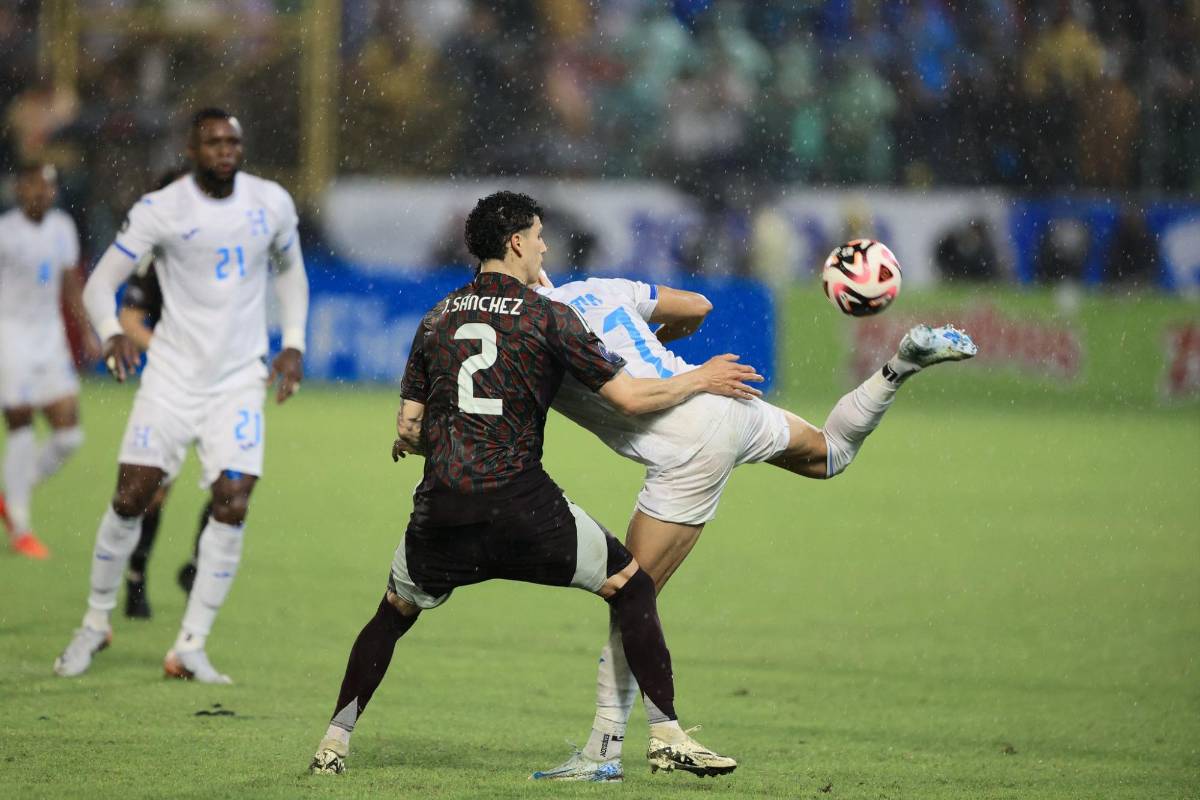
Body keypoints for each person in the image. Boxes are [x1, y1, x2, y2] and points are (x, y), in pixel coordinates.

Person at [308, 191, 763, 778]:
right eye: (540, 235)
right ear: (517, 242)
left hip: (442, 511)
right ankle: (667, 736)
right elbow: (628, 396)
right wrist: (699, 378)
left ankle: (333, 744)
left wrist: (421, 440)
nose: (546, 246)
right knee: (631, 586)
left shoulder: (437, 316)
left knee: (394, 611)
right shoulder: (549, 315)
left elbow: (411, 427)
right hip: (524, 508)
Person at [521, 273, 977, 781]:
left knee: (631, 594)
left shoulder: (529, 329)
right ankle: (900, 365)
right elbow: (696, 306)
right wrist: (646, 343)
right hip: (725, 402)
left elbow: (564, 396)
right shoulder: (601, 287)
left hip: (688, 437)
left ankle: (608, 751)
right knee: (829, 453)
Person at [53, 108, 309, 684]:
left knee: (234, 498)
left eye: (233, 142)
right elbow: (100, 284)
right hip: (170, 376)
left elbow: (291, 273)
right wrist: (112, 330)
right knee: (131, 497)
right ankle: (94, 623)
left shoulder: (270, 202)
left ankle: (190, 645)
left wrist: (292, 342)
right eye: (214, 142)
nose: (225, 150)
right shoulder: (160, 211)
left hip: (239, 379)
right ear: (191, 151)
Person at [111, 166, 212, 619]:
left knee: (234, 478)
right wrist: (169, 350)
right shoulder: (154, 257)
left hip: (223, 384)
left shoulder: (226, 250)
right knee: (152, 492)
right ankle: (135, 575)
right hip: (174, 383)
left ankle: (198, 564)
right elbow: (131, 320)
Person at [0, 161, 99, 559]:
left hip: (49, 337)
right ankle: (21, 525)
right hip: (10, 336)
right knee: (20, 422)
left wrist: (87, 329)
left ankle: (13, 492)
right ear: (19, 188)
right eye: (34, 185)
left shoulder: (62, 228)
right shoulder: (6, 232)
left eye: (48, 186)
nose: (42, 192)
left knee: (69, 435)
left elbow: (70, 283)